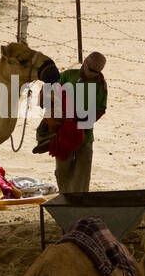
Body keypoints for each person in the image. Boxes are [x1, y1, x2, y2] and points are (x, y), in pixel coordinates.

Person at [34, 51, 108, 193]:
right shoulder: (68, 75)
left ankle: (80, 210)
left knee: (82, 178)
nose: (89, 73)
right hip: (62, 136)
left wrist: (78, 123)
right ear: (84, 63)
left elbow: (100, 110)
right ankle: (66, 206)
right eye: (89, 69)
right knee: (62, 174)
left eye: (94, 72)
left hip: (85, 137)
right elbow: (50, 92)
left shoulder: (100, 85)